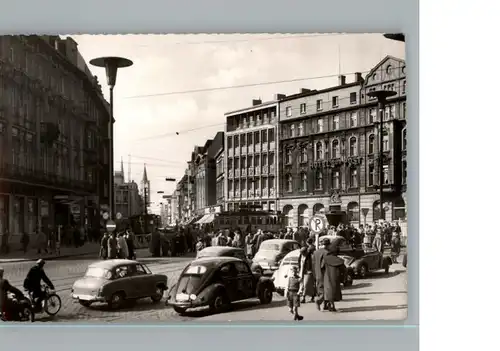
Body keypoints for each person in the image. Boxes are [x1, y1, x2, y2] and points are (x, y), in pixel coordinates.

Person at [323, 246, 346, 312]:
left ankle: (329, 304)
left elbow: (322, 267)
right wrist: (343, 279)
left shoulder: (325, 258)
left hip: (327, 276)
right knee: (334, 291)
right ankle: (331, 304)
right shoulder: (339, 260)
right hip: (335, 277)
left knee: (327, 291)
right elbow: (344, 270)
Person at [312, 237, 331, 311]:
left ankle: (325, 305)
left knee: (320, 290)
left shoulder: (316, 252)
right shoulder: (327, 252)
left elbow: (313, 264)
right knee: (327, 290)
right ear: (328, 245)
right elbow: (324, 265)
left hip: (317, 274)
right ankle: (319, 301)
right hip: (325, 274)